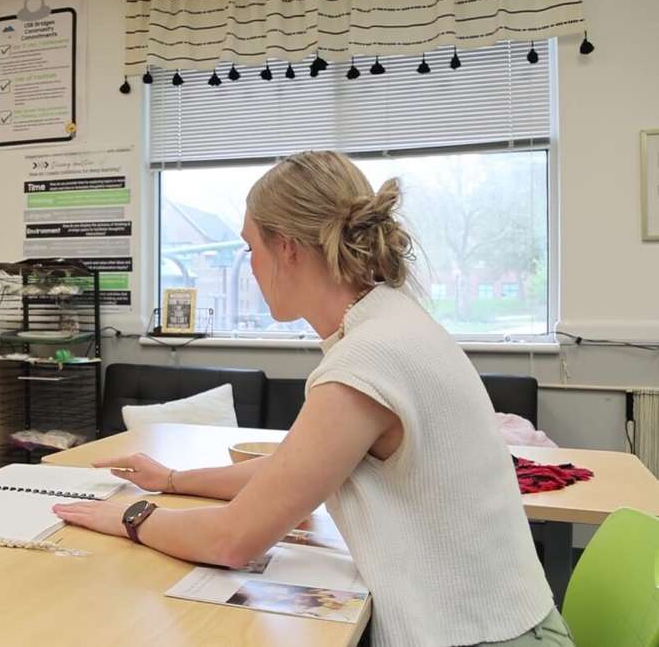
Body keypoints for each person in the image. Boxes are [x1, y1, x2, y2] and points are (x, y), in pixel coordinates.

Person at [54, 151, 571, 647]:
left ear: (288, 249)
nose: (250, 266)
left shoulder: (368, 356)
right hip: (507, 623)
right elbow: (291, 472)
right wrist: (170, 481)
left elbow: (233, 540)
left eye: (250, 247)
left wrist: (131, 517)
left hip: (483, 637)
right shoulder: (391, 322)